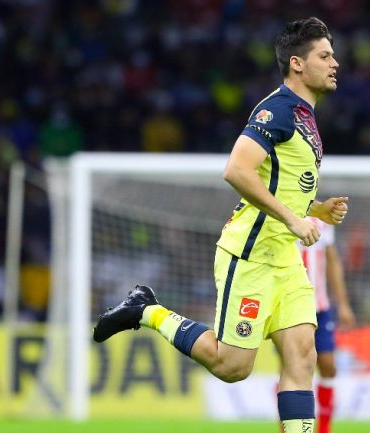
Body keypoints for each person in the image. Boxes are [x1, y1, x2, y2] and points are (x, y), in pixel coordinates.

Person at [93, 17, 347, 433]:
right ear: (297, 64)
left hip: (286, 260)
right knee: (233, 366)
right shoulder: (277, 109)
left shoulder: (307, 117)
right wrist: (293, 219)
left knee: (302, 357)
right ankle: (146, 310)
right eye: (325, 55)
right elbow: (236, 171)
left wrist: (316, 209)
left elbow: (279, 186)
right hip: (249, 257)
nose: (335, 62)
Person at [297, 217, 355, 433]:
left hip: (320, 307)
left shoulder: (322, 219)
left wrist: (343, 304)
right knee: (292, 369)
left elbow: (332, 261)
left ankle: (324, 429)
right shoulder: (280, 211)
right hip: (291, 307)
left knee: (328, 366)